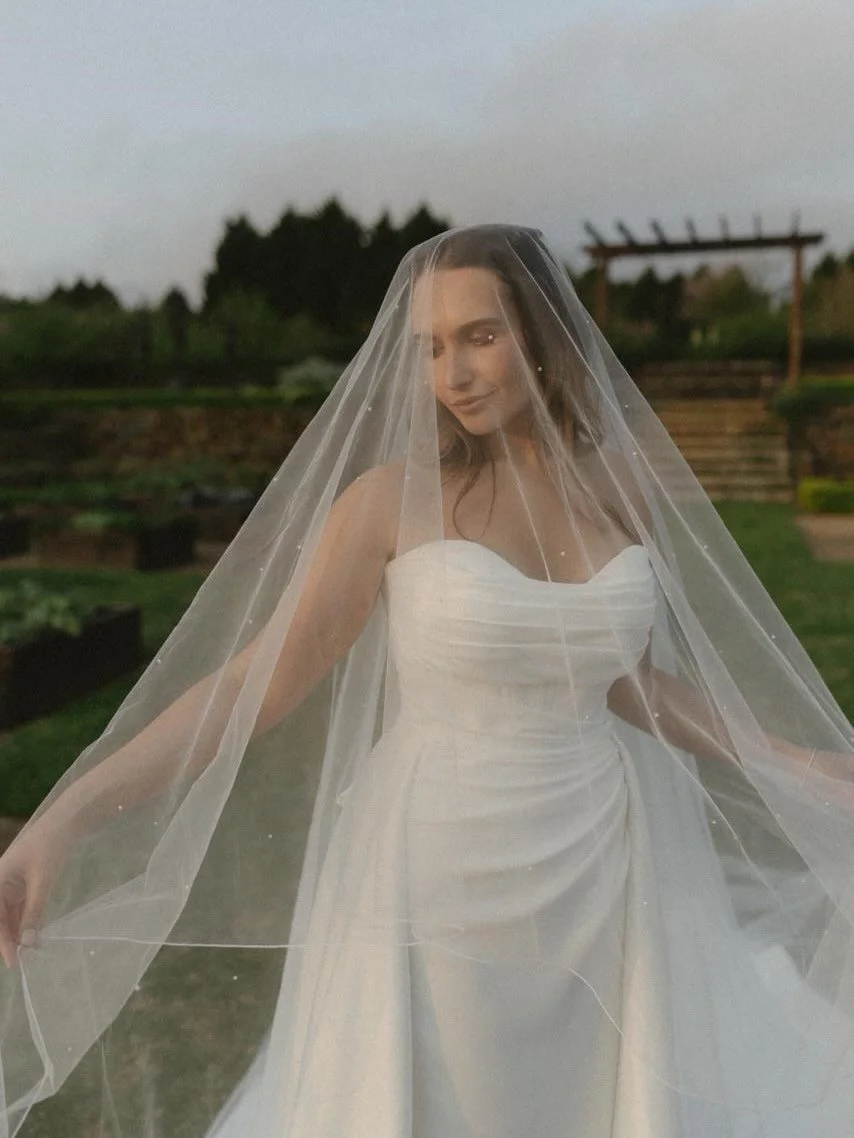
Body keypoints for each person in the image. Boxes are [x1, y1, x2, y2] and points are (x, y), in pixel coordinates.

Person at [2, 223, 854, 1136]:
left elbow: (626, 682)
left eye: (481, 335)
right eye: (431, 347)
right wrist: (65, 815)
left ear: (550, 335)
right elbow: (253, 686)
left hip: (608, 855)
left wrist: (791, 760)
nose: (452, 375)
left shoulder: (622, 488)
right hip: (441, 873)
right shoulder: (385, 503)